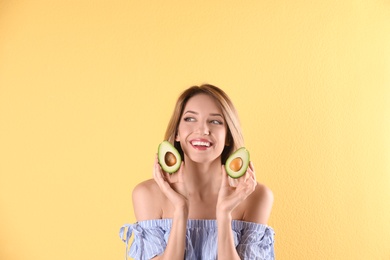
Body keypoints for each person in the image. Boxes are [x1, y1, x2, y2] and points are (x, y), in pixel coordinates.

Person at [119, 84, 275, 260]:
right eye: (190, 119)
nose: (202, 130)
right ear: (177, 132)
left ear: (229, 137)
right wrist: (181, 209)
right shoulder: (146, 194)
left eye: (215, 121)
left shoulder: (257, 196)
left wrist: (224, 214)